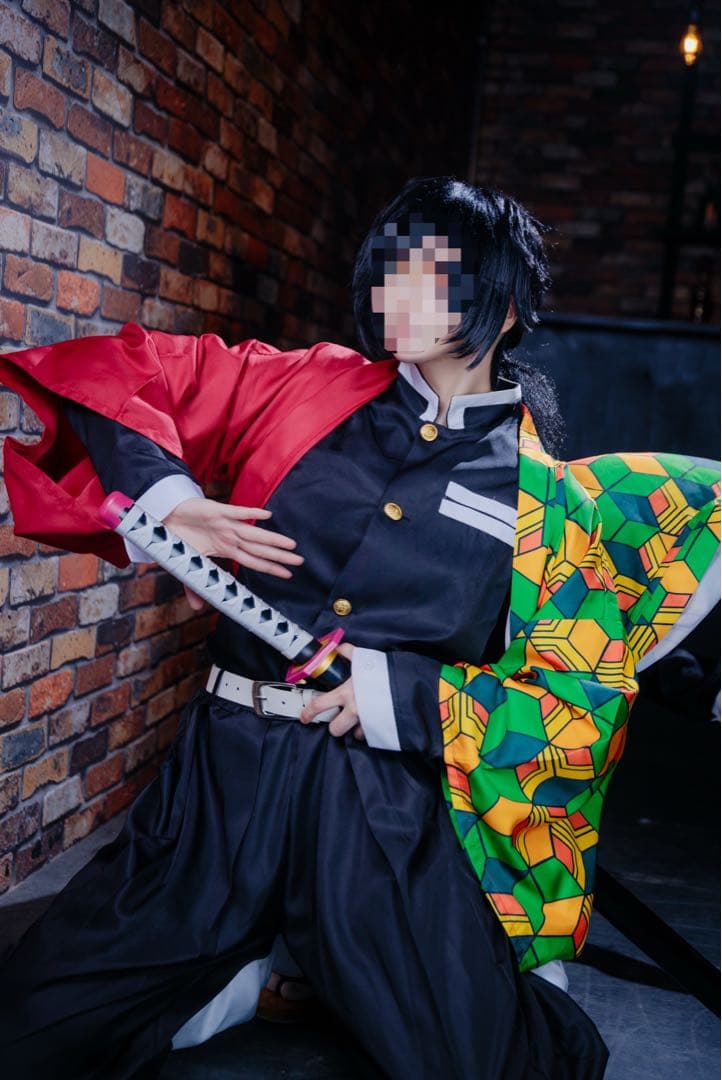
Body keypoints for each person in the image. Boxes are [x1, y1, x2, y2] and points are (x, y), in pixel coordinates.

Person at [0, 177, 718, 1079]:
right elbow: (115, 367)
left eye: (431, 275)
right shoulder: (303, 386)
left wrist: (407, 695)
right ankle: (248, 967)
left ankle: (336, 965)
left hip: (377, 807)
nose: (395, 296)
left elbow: (574, 709)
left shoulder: (549, 503)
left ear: (502, 307)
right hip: (221, 776)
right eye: (388, 272)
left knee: (480, 1060)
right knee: (29, 1028)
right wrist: (169, 499)